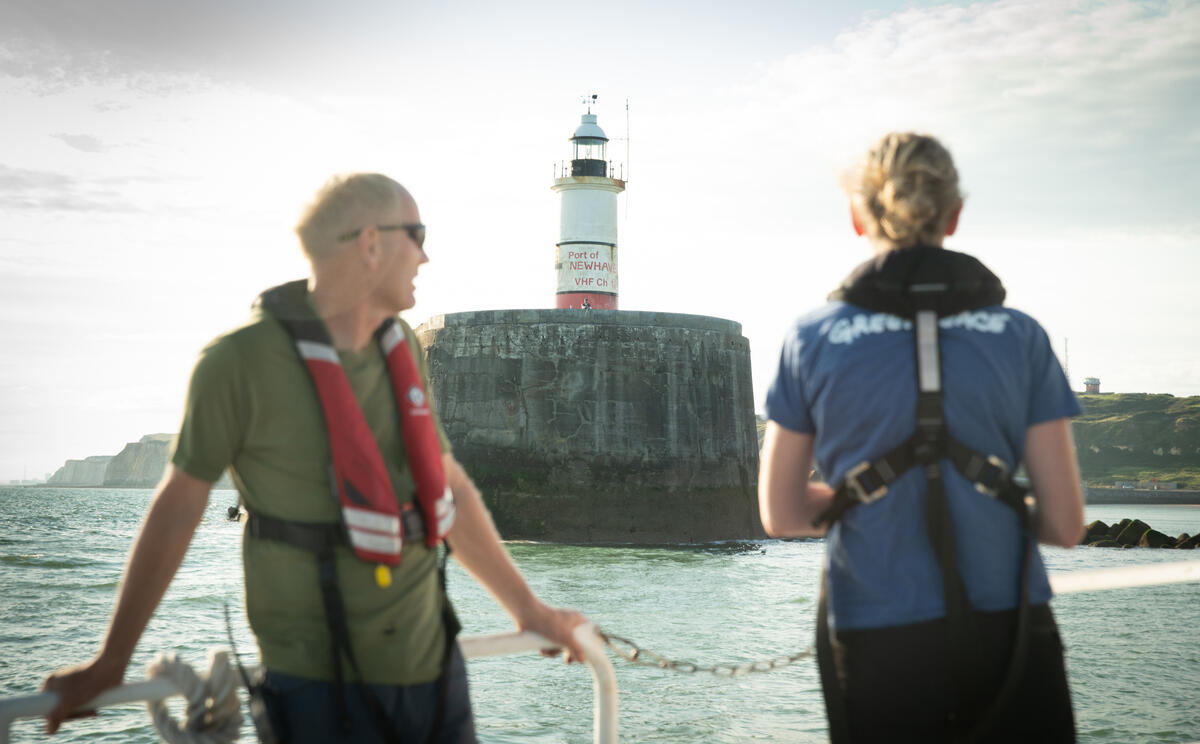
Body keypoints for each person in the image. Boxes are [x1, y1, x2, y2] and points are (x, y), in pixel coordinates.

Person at [42, 173, 590, 742]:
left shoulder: (400, 343)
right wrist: (111, 663)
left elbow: (447, 487)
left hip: (435, 672)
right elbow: (176, 512)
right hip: (318, 691)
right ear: (371, 244)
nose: (426, 256)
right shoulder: (236, 364)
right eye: (417, 235)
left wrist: (530, 611)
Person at [758, 133, 1084, 743]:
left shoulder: (812, 338)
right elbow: (1065, 524)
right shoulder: (1021, 337)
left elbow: (781, 514)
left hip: (880, 639)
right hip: (1011, 632)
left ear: (859, 217)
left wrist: (866, 493)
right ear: (953, 215)